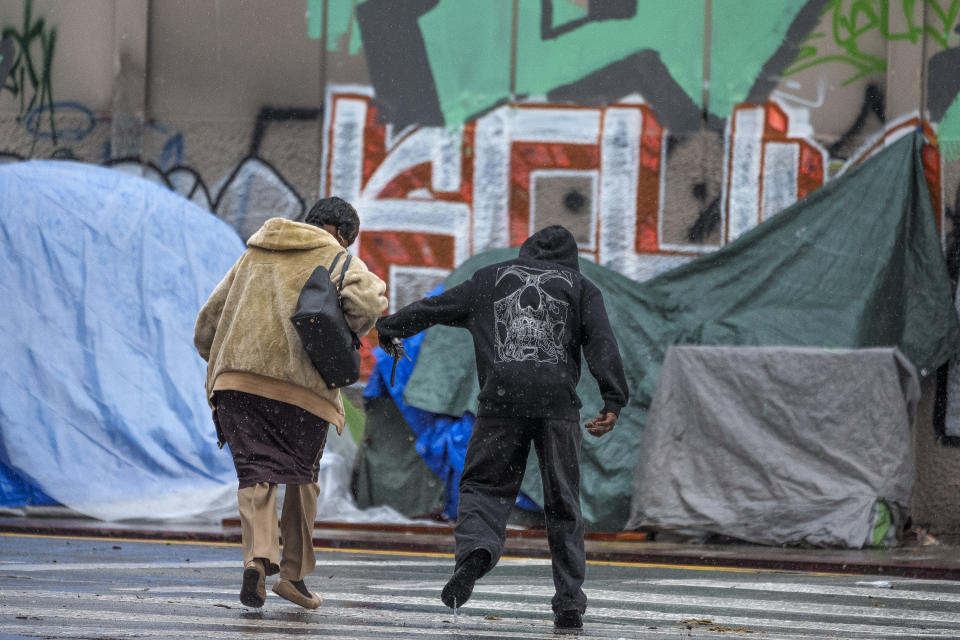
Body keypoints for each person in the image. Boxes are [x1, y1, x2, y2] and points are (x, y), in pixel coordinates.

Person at [376, 224, 628, 629]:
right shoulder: (581, 287)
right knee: (563, 503)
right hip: (557, 405)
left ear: (526, 251)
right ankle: (568, 602)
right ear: (570, 259)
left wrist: (391, 327)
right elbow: (602, 342)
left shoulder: (488, 279)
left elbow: (435, 307)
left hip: (501, 400)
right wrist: (614, 398)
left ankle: (476, 551)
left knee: (482, 486)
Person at [194, 197, 387, 609]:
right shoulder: (335, 257)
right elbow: (368, 304)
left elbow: (206, 325)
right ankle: (294, 576)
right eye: (349, 239)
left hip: (237, 383)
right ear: (339, 232)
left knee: (256, 472)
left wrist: (235, 360)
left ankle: (258, 561)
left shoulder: (254, 253)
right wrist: (341, 330)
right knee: (301, 475)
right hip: (301, 390)